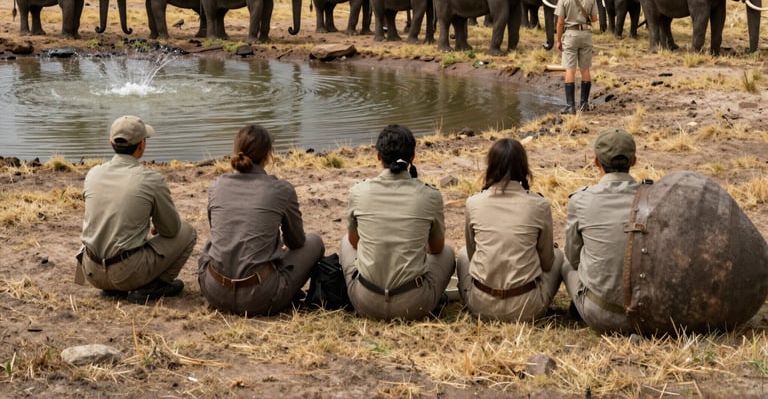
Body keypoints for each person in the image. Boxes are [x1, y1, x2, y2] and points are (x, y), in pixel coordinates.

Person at [198, 124, 324, 316]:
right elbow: (297, 241)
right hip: (261, 297)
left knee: (212, 242)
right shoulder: (281, 189)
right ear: (267, 156)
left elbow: (220, 232)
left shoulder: (216, 185)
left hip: (214, 291)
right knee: (315, 241)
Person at [76, 115, 197, 304]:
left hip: (91, 272)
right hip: (126, 273)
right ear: (142, 145)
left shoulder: (93, 173)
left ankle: (110, 288)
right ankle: (154, 286)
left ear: (111, 143)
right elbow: (171, 230)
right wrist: (157, 224)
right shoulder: (151, 180)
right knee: (187, 231)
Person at [340, 124, 455, 320]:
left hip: (366, 302)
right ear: (412, 157)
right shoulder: (430, 195)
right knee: (448, 252)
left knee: (345, 241)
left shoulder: (358, 192)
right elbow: (436, 249)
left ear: (378, 156)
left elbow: (354, 242)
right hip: (414, 305)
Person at [456, 138, 563, 321]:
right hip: (527, 308)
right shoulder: (539, 205)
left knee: (463, 254)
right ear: (524, 167)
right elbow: (547, 263)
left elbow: (473, 255)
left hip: (481, 305)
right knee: (559, 256)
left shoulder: (473, 203)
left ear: (490, 166)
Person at [561, 127, 641, 334]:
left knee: (563, 263)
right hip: (647, 312)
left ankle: (580, 305)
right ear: (634, 161)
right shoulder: (654, 197)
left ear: (596, 161)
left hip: (600, 314)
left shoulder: (580, 199)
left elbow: (573, 257)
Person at [554, 0, 598, 114]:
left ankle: (570, 106)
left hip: (571, 35)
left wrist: (558, 40)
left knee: (570, 70)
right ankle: (584, 104)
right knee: (585, 69)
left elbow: (560, 23)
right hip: (586, 34)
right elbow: (594, 19)